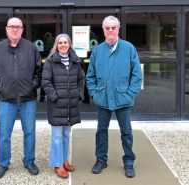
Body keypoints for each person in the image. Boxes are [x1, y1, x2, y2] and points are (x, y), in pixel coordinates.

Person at [86, 15, 143, 178]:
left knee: (126, 131)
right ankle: (101, 160)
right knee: (101, 131)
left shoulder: (129, 48)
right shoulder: (97, 51)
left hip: (123, 98)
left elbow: (137, 75)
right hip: (103, 98)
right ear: (103, 30)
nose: (110, 30)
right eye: (107, 28)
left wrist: (131, 93)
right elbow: (90, 76)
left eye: (113, 27)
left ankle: (129, 162)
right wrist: (94, 93)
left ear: (118, 29)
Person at [0, 17, 42, 179]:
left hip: (28, 98)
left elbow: (39, 70)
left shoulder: (31, 48)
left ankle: (29, 161)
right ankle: (3, 163)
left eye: (18, 27)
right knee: (4, 134)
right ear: (7, 29)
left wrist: (33, 85)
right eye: (12, 26)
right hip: (6, 99)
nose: (15, 29)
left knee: (30, 132)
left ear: (22, 30)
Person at [41, 33, 84, 179]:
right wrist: (54, 97)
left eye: (66, 42)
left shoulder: (75, 61)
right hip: (57, 105)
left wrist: (78, 94)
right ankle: (57, 164)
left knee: (66, 134)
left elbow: (80, 79)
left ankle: (64, 160)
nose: (63, 45)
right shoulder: (50, 62)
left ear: (69, 44)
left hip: (70, 106)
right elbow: (45, 82)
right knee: (57, 136)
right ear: (56, 45)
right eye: (60, 43)